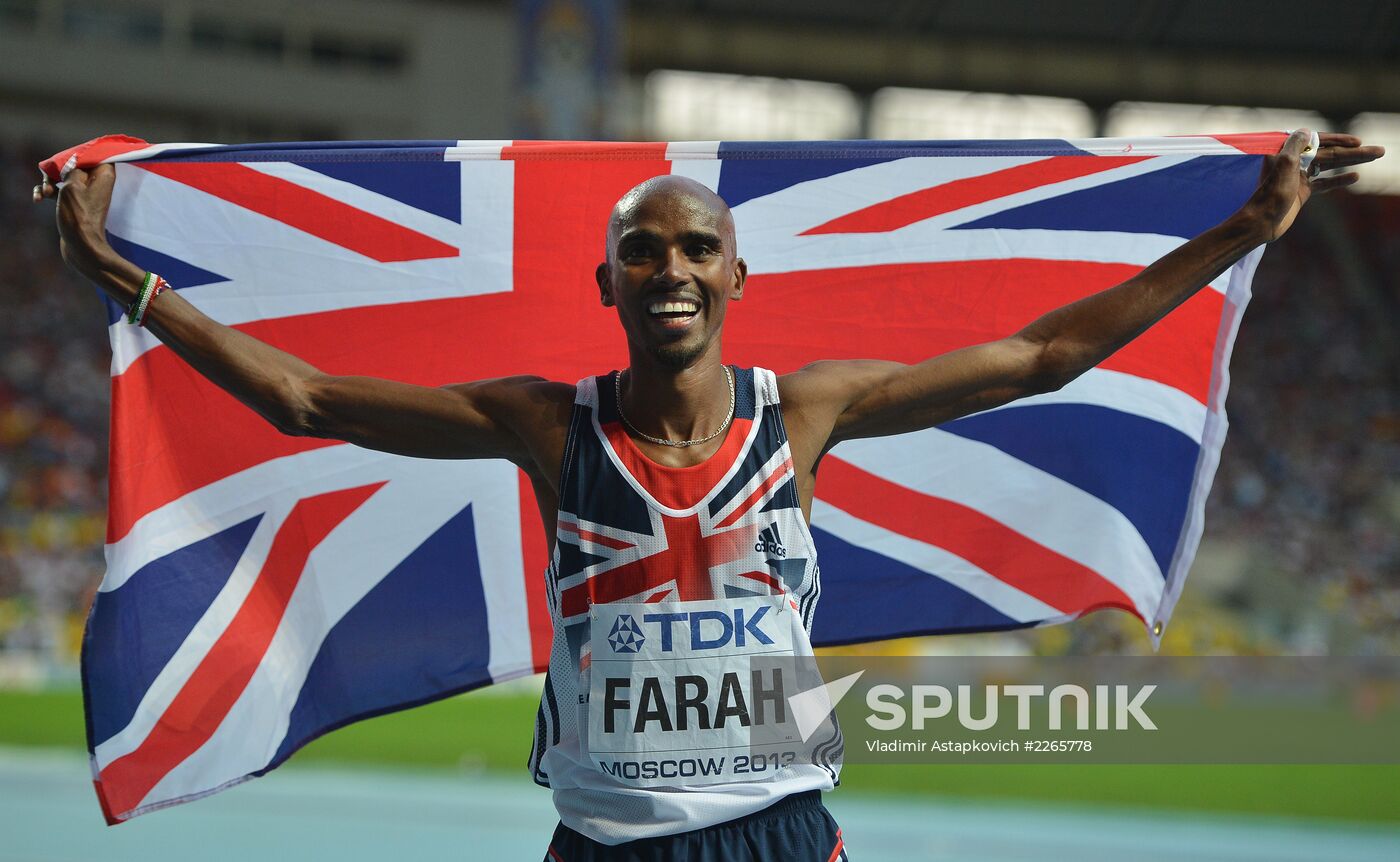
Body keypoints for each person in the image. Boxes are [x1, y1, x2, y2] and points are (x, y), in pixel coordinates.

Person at [34, 129, 1381, 860]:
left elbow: (1047, 352)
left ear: (736, 278)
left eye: (696, 247)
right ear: (606, 282)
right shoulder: (542, 424)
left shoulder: (806, 414)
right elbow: (309, 401)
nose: (668, 266)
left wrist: (1235, 232)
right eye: (640, 250)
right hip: (605, 843)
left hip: (778, 840)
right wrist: (126, 279)